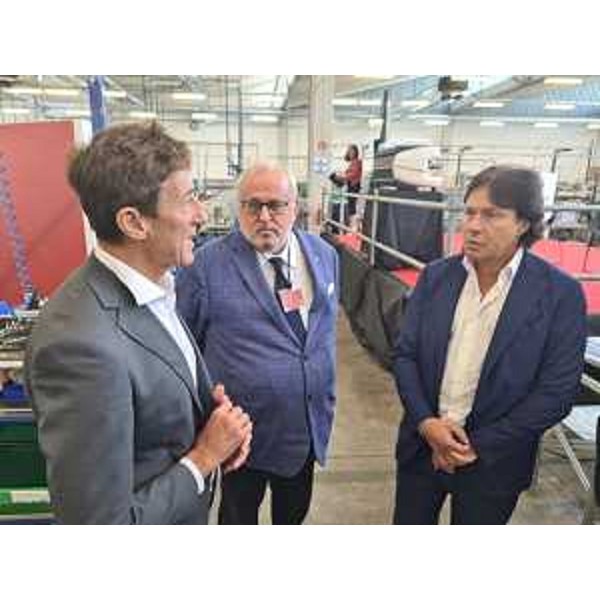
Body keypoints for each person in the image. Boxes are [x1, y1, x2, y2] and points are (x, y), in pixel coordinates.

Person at [25, 122, 252, 524]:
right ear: (134, 222)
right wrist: (203, 458)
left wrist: (209, 420)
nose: (201, 215)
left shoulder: (156, 286)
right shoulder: (79, 347)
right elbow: (98, 524)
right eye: (188, 200)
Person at [392, 165, 587, 525]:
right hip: (421, 450)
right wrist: (426, 423)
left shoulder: (559, 295)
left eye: (491, 215)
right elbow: (405, 355)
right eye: (469, 213)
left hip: (496, 462)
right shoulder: (436, 277)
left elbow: (556, 393)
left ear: (524, 223)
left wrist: (475, 445)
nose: (473, 225)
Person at [177, 163, 338, 524]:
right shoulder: (205, 266)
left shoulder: (324, 255)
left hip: (304, 428)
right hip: (240, 436)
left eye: (276, 205)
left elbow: (322, 333)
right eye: (252, 205)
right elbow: (186, 348)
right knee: (238, 517)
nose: (264, 217)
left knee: (292, 515)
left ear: (295, 208)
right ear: (239, 208)